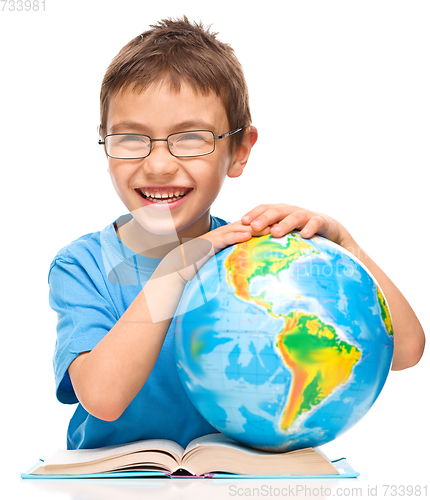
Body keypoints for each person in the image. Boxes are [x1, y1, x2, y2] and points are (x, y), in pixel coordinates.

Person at [49, 17, 425, 450]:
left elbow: (407, 350)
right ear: (105, 144)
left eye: (190, 139)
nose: (157, 165)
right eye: (132, 139)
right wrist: (172, 272)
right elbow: (102, 398)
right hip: (116, 486)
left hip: (239, 481)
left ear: (240, 151)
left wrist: (346, 246)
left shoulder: (258, 258)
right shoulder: (81, 265)